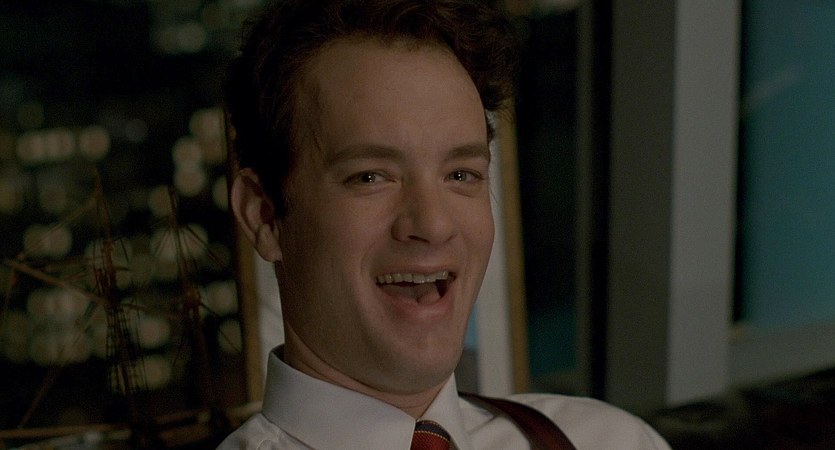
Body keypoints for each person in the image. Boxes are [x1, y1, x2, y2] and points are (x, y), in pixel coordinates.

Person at [219, 0, 671, 448]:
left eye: (460, 175)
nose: (434, 225)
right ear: (264, 216)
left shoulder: (611, 440)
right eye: (371, 177)